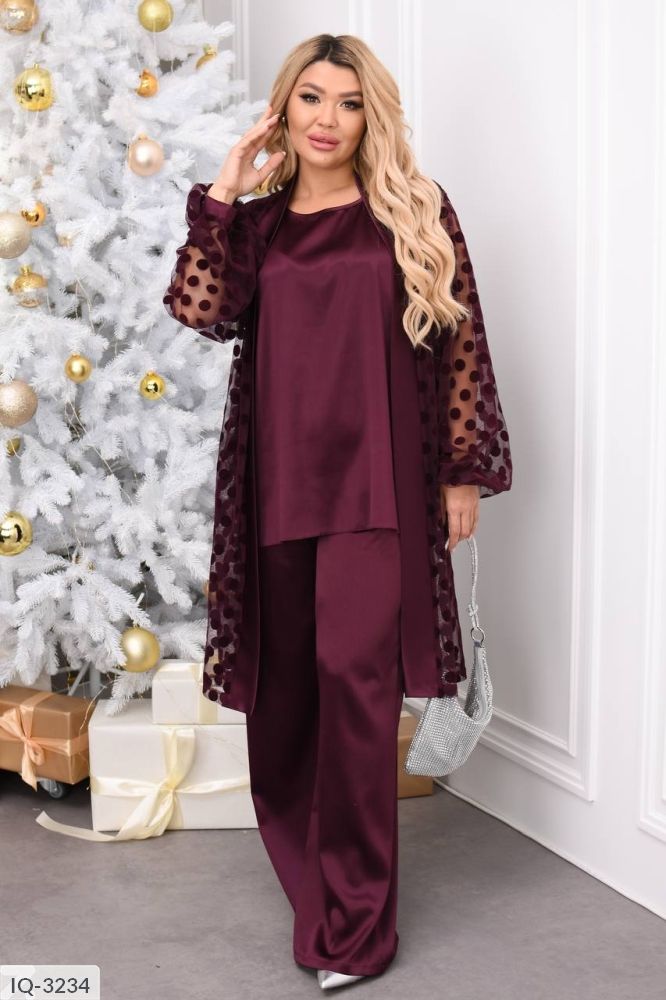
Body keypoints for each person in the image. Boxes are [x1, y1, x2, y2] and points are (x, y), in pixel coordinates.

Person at [163, 33, 513, 992]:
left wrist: (461, 474)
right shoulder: (259, 226)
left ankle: (355, 930)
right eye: (311, 98)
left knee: (356, 695)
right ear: (284, 109)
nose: (328, 119)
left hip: (379, 490)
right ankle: (317, 886)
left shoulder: (413, 209)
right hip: (276, 485)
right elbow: (197, 307)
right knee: (282, 704)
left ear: (371, 118)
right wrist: (226, 189)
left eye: (349, 103)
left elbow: (461, 342)